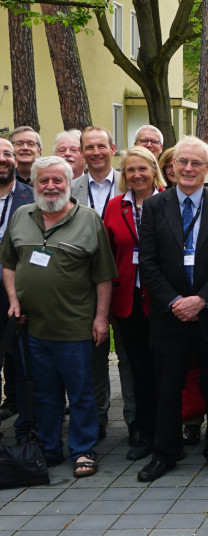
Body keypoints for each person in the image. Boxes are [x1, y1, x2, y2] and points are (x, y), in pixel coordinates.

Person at [0, 156, 117, 478]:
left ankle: (83, 450)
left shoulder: (89, 219)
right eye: (44, 181)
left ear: (69, 183)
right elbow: (8, 263)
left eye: (57, 181)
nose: (50, 187)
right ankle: (49, 449)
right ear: (34, 184)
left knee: (80, 393)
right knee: (44, 394)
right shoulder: (22, 216)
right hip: (32, 328)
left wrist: (100, 319)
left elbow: (104, 276)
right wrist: (13, 300)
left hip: (75, 327)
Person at [136, 136, 208, 482]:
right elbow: (148, 264)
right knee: (166, 388)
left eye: (197, 163)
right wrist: (175, 302)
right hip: (169, 316)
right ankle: (164, 453)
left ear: (207, 168)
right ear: (172, 166)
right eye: (183, 162)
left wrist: (201, 300)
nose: (189, 169)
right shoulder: (153, 207)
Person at [103, 146, 164, 461]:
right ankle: (144, 432)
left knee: (165, 368)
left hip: (165, 301)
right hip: (129, 300)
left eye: (143, 168)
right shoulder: (114, 207)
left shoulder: (170, 200)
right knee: (138, 369)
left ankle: (168, 431)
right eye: (130, 170)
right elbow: (108, 256)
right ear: (124, 175)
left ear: (154, 169)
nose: (137, 175)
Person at [71, 126, 121, 443]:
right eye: (89, 147)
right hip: (85, 284)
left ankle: (139, 418)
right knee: (94, 354)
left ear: (112, 148)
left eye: (101, 146)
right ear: (82, 152)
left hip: (129, 280)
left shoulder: (131, 181)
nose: (96, 152)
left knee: (131, 356)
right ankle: (98, 418)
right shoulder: (70, 187)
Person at [0, 138, 34, 442]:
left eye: (7, 153)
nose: (2, 158)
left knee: (24, 365)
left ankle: (26, 429)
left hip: (16, 295)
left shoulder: (32, 199)